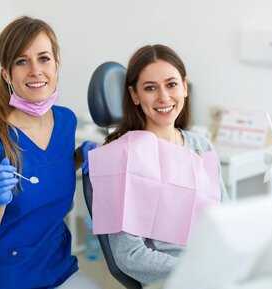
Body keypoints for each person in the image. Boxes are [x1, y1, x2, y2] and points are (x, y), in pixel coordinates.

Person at [0, 16, 100, 289]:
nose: (36, 70)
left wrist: (80, 157)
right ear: (7, 73)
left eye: (44, 58)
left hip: (55, 267)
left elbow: (47, 170)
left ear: (57, 65)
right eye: (22, 61)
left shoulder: (66, 121)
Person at [81, 44, 229, 288]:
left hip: (214, 268)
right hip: (171, 278)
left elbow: (226, 219)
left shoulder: (202, 147)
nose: (163, 97)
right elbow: (130, 256)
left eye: (171, 84)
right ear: (135, 95)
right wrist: (196, 268)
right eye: (150, 88)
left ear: (184, 87)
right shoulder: (122, 159)